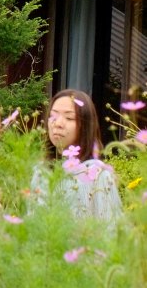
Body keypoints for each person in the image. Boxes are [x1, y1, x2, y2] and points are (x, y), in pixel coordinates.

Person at [28, 89, 122, 226]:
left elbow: (111, 232)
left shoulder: (97, 174)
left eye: (69, 118)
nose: (58, 123)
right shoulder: (40, 171)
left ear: (85, 126)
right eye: (53, 116)